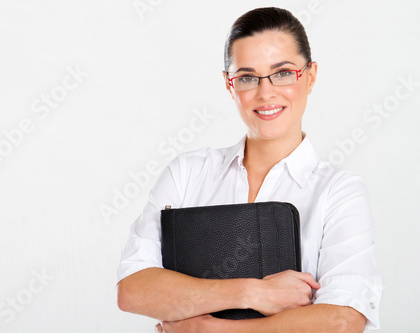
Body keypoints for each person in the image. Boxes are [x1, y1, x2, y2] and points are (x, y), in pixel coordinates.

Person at [116, 7, 381, 333]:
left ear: (310, 76)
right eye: (247, 77)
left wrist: (210, 329)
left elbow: (342, 320)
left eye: (283, 72)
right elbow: (133, 290)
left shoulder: (338, 191)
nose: (265, 92)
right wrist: (254, 293)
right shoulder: (187, 175)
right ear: (229, 84)